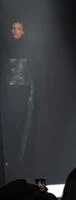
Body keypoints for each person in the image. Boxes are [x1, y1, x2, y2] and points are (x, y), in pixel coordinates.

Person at [0, 21, 36, 183]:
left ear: (24, 31)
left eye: (19, 28)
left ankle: (20, 162)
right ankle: (12, 162)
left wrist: (31, 95)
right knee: (10, 127)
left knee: (23, 128)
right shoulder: (5, 49)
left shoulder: (28, 49)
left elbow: (33, 75)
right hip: (8, 94)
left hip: (23, 93)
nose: (16, 31)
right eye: (13, 28)